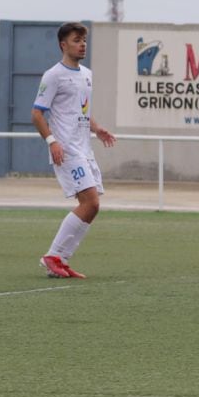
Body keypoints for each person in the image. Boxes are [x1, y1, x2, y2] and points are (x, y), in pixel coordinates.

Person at [32, 22, 116, 278]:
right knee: (90, 202)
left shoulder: (86, 74)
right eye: (77, 40)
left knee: (92, 206)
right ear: (63, 45)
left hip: (84, 149)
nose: (82, 45)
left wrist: (97, 128)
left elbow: (81, 110)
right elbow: (37, 114)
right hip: (67, 150)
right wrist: (52, 142)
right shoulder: (53, 75)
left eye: (84, 40)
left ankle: (59, 259)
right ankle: (53, 257)